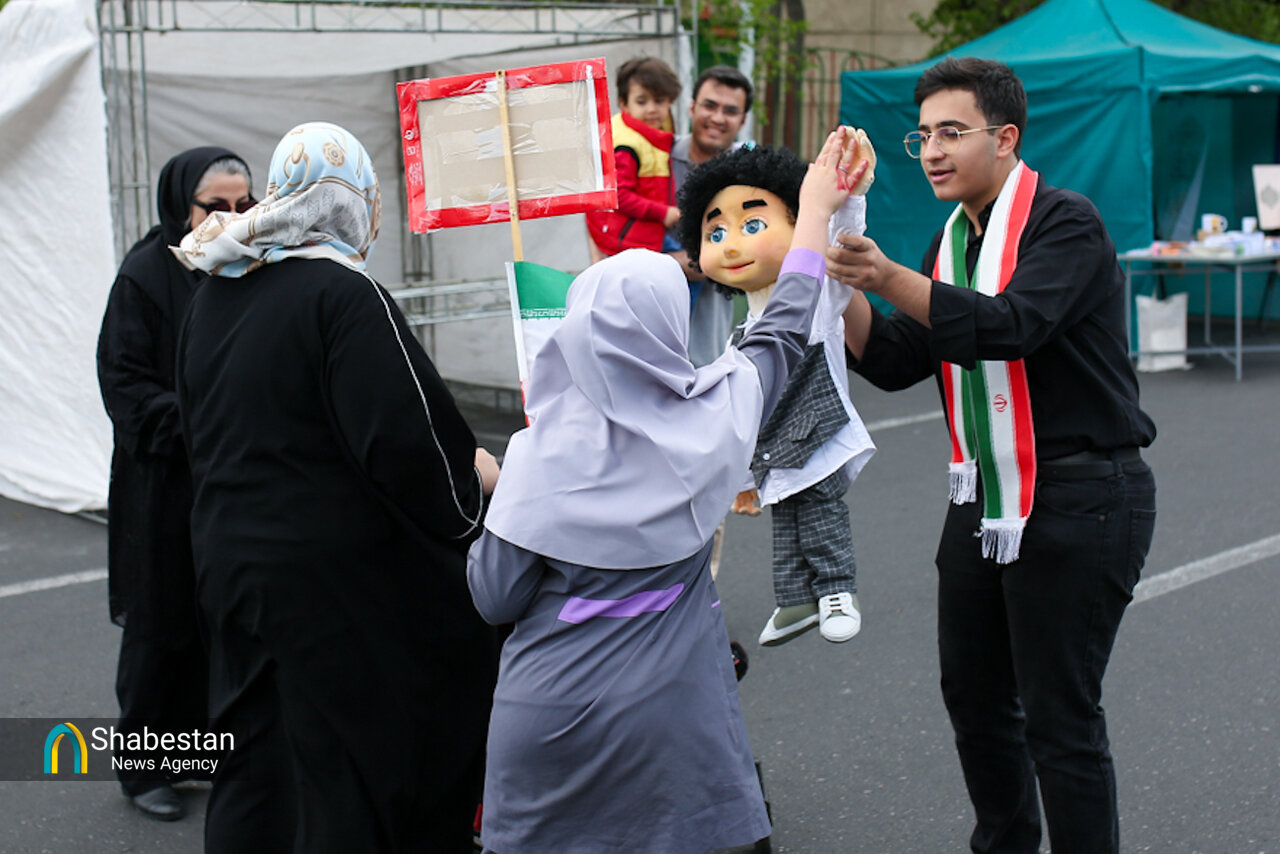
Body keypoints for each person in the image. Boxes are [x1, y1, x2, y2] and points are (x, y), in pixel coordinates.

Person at [468, 130, 866, 854]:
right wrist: (814, 209)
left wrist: (498, 488)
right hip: (677, 726)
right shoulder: (721, 409)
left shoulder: (535, 457)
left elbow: (495, 596)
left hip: (550, 725)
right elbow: (787, 318)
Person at [827, 57, 1157, 854]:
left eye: (952, 132)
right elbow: (901, 357)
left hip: (1079, 495)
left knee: (1060, 720)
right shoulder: (953, 240)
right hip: (983, 498)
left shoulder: (1065, 222)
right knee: (975, 704)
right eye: (922, 136)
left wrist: (886, 275)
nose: (932, 151)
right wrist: (832, 284)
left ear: (1005, 138)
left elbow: (1010, 325)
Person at [173, 122, 502, 854]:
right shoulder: (345, 294)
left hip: (229, 564)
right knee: (349, 764)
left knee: (256, 759)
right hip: (333, 584)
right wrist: (475, 483)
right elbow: (407, 449)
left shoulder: (215, 292)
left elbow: (200, 432)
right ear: (355, 200)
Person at [96, 146, 253, 822]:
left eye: (244, 205)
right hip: (164, 484)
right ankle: (142, 770)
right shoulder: (144, 276)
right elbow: (124, 386)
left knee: (221, 622)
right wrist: (206, 417)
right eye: (214, 207)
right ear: (179, 206)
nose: (231, 219)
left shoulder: (250, 266)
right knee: (161, 623)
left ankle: (199, 752)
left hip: (232, 480)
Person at [677, 143, 876, 646]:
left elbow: (842, 241)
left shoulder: (819, 296)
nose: (731, 246)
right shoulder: (739, 334)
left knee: (823, 511)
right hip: (773, 451)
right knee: (786, 518)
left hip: (820, 431)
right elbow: (739, 412)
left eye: (752, 224)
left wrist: (844, 198)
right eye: (715, 233)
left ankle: (836, 589)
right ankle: (795, 599)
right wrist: (743, 478)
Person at [668, 64, 754, 368]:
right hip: (641, 329)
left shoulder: (748, 176)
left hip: (704, 346)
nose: (718, 118)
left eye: (730, 111)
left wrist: (662, 261)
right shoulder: (655, 157)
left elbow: (742, 254)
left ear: (743, 120)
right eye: (710, 105)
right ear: (691, 107)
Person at [586, 56, 682, 258]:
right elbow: (619, 196)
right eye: (642, 101)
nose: (652, 109)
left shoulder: (652, 131)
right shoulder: (626, 146)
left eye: (659, 100)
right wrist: (663, 213)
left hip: (644, 232)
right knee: (692, 264)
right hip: (627, 238)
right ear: (624, 103)